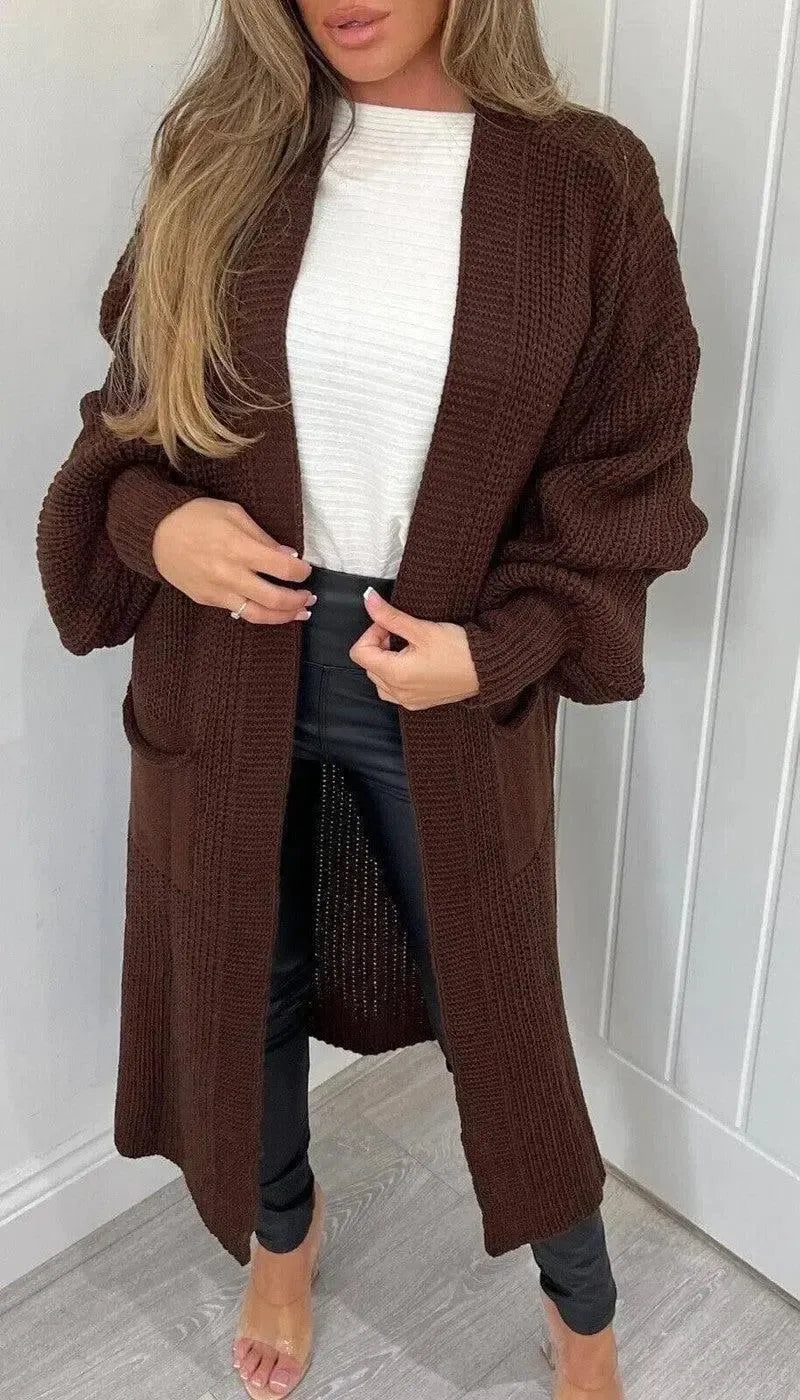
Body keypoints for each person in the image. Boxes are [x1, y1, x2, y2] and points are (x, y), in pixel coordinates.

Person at [36, 2, 708, 1397]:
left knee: (500, 1020)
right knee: (245, 982)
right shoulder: (221, 149)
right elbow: (129, 418)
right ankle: (283, 1236)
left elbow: (628, 472)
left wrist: (504, 647)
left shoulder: (586, 182)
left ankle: (583, 1312)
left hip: (441, 678)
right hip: (226, 660)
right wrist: (161, 526)